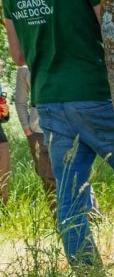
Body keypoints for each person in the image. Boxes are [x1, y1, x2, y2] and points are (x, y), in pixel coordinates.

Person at [2, 0, 114, 265]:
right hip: (93, 92)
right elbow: (112, 31)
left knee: (69, 198)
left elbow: (18, 56)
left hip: (48, 99)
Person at [15, 65, 56, 206]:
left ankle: (92, 220)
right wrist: (28, 130)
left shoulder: (63, 55)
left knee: (76, 175)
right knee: (48, 179)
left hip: (68, 129)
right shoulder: (25, 67)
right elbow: (20, 102)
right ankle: (61, 222)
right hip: (38, 132)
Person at [0, 80, 10, 205]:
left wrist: (5, 114)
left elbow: (3, 118)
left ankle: (4, 209)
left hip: (1, 141)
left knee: (4, 179)